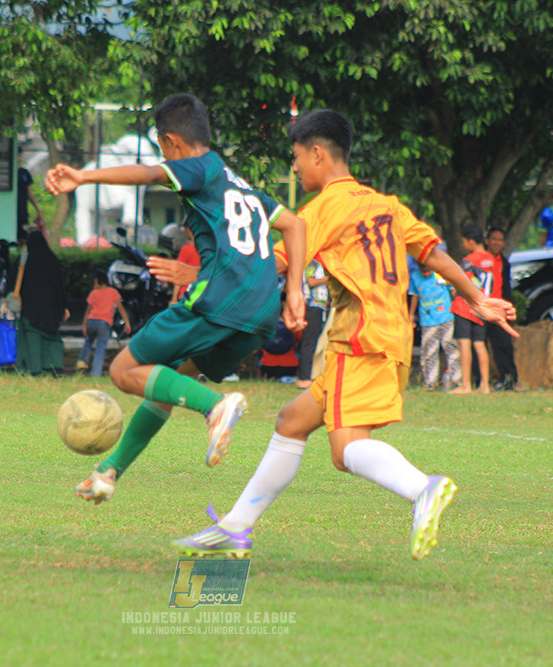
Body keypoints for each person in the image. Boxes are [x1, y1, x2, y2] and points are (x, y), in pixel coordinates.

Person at [170, 110, 517, 561]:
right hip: (387, 338)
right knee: (291, 422)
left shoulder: (324, 209)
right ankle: (237, 527)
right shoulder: (386, 204)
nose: (294, 168)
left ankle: (423, 489)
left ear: (317, 153)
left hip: (359, 339)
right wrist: (475, 298)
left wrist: (198, 275)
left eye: (296, 157)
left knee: (346, 449)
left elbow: (267, 262)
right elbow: (434, 255)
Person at [46, 93, 306, 504]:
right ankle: (109, 471)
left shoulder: (198, 168)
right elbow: (294, 224)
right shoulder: (237, 182)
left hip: (219, 301)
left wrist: (83, 177)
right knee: (167, 381)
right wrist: (294, 292)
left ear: (173, 143)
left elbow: (147, 174)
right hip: (260, 313)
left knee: (124, 370)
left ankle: (215, 407)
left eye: (163, 150)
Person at [11, 220, 69, 376]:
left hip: (30, 309)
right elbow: (61, 287)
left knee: (32, 338)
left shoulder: (24, 261)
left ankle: (34, 368)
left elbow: (12, 282)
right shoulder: (53, 261)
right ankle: (56, 365)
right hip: (52, 311)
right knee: (52, 339)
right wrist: (64, 307)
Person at [448, 225, 495, 395]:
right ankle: (485, 385)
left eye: (464, 242)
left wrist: (453, 290)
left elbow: (464, 282)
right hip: (483, 307)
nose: (464, 244)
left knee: (464, 343)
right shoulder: (489, 259)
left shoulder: (469, 260)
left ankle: (466, 385)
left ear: (471, 242)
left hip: (465, 306)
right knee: (480, 344)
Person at [408, 262, 460, 391]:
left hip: (446, 317)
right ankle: (430, 382)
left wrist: (458, 307)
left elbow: (452, 290)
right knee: (429, 352)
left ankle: (457, 379)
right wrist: (411, 315)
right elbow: (414, 296)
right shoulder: (415, 276)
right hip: (427, 321)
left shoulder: (439, 274)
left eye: (428, 271)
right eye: (423, 272)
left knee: (451, 349)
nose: (426, 274)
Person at [76, 267, 130, 377]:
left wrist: (84, 325)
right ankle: (95, 373)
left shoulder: (93, 293)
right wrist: (127, 322)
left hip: (91, 321)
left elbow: (87, 311)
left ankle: (82, 361)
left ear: (96, 281)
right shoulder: (113, 292)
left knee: (88, 342)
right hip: (104, 323)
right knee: (100, 349)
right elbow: (120, 308)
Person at [485, 226, 519, 390]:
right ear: (487, 241)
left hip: (499, 309)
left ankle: (509, 378)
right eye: (494, 239)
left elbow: (507, 289)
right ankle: (482, 380)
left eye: (500, 240)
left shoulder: (504, 263)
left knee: (504, 344)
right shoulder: (481, 260)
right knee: (480, 344)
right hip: (483, 308)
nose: (497, 243)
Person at [296, 258, 329, 389]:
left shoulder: (321, 264)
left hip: (321, 308)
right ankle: (304, 378)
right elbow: (311, 282)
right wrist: (329, 278)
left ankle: (314, 374)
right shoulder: (312, 263)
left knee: (317, 341)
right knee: (308, 342)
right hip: (311, 306)